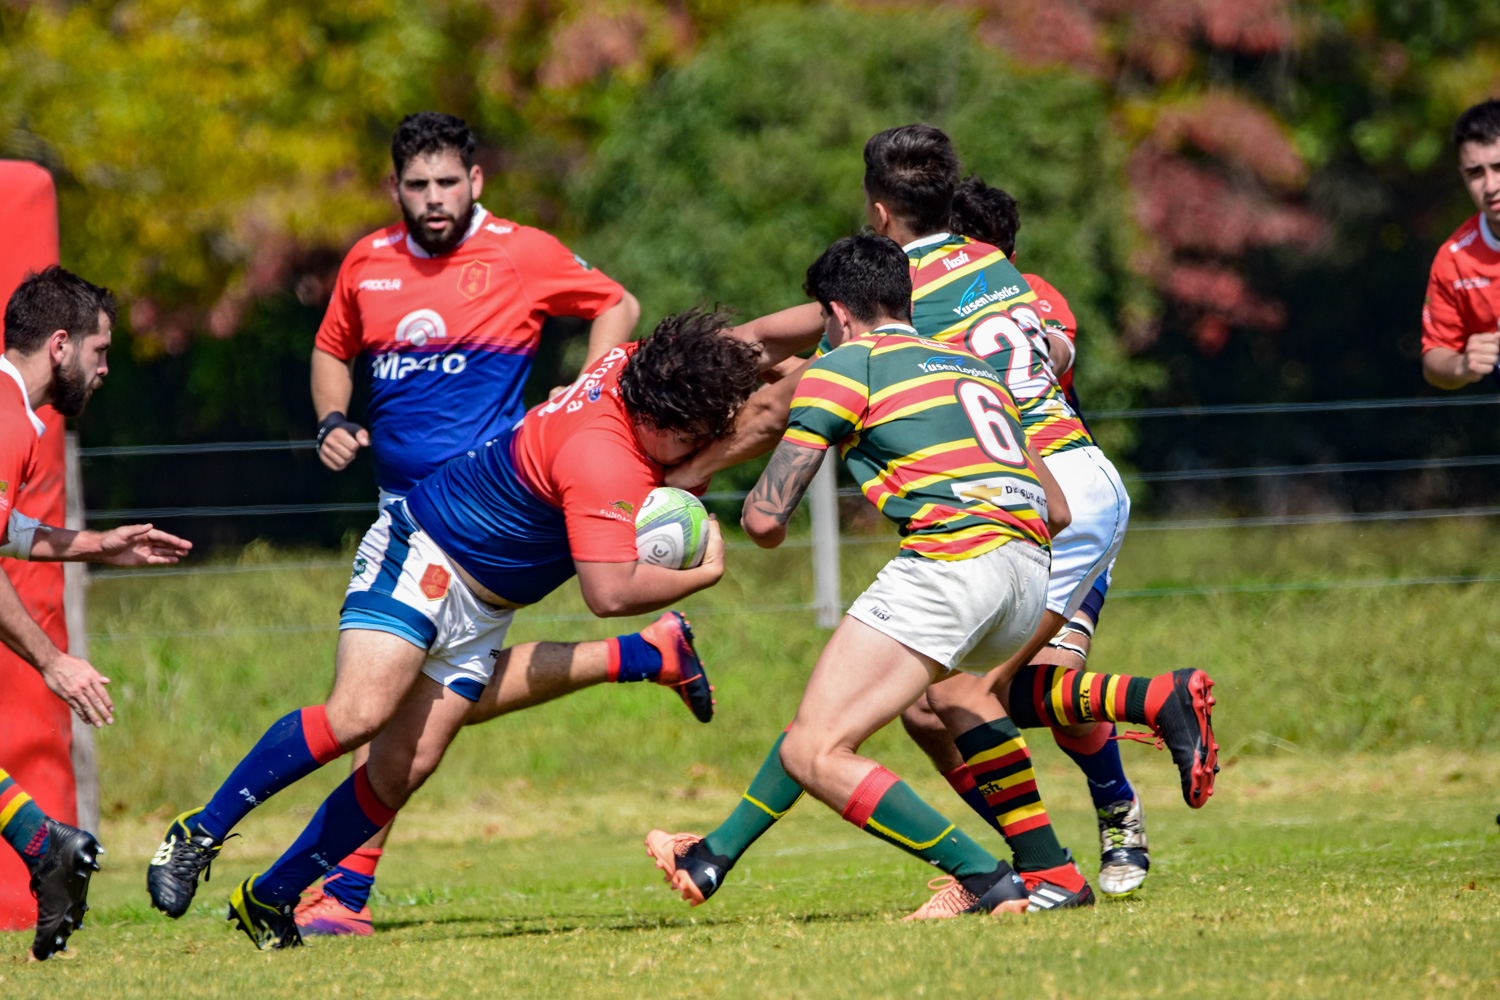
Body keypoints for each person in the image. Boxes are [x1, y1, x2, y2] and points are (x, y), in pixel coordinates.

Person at [648, 126, 1217, 910]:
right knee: (933, 705)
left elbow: (769, 448)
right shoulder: (995, 274)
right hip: (1046, 499)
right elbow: (1049, 411)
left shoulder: (857, 347)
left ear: (877, 214)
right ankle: (720, 854)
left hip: (977, 537)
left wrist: (684, 474)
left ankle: (1026, 850)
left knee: (877, 725)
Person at [155, 313, 761, 950]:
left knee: (399, 770)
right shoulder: (605, 459)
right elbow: (608, 594)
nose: (701, 450)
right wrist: (705, 573)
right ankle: (198, 831)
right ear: (665, 423)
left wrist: (854, 334)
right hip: (427, 554)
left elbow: (766, 335)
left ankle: (270, 896)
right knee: (359, 714)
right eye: (696, 438)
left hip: (483, 610)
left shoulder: (640, 364)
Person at [232, 111, 693, 937]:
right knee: (426, 705)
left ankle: (342, 892)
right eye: (418, 185)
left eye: (449, 182)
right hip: (400, 509)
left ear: (475, 182)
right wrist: (333, 421)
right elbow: (330, 349)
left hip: (488, 516)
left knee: (405, 707)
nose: (435, 199)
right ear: (396, 188)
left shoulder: (521, 252)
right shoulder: (367, 264)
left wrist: (582, 395)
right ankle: (643, 653)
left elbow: (616, 302)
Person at [939, 174, 1148, 896]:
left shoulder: (1021, 289)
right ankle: (1020, 852)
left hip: (1062, 506)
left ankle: (1116, 807)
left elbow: (1056, 348)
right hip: (996, 514)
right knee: (942, 701)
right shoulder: (920, 300)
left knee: (1036, 690)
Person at [1, 266, 193, 959]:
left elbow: (5, 531)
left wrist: (97, 546)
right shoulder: (5, 416)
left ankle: (45, 848)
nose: (105, 368)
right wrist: (53, 662)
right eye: (100, 350)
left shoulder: (12, 414)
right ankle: (45, 847)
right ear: (60, 345)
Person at [1421, 99, 1500, 390]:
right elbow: (1435, 358)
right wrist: (1463, 365)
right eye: (1476, 173)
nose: (1490, 186)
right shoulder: (1454, 258)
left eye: (1499, 167)